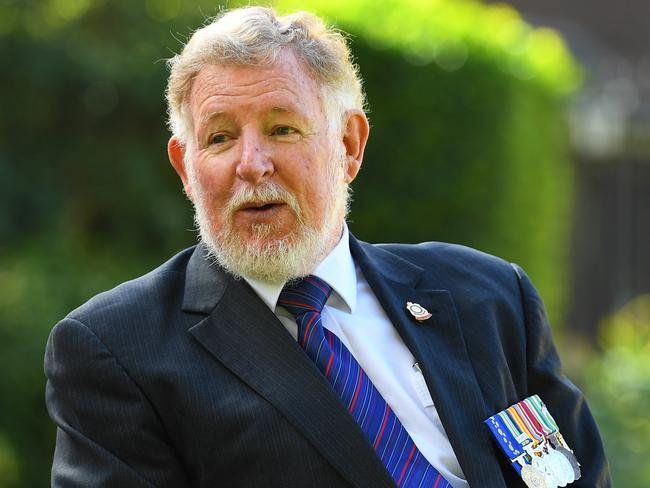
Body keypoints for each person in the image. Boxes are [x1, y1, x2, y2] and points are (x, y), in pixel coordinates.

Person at [44, 6, 611, 488]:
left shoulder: (488, 296)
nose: (251, 163)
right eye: (219, 138)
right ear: (185, 169)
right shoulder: (117, 351)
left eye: (282, 129)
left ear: (349, 144)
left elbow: (570, 474)